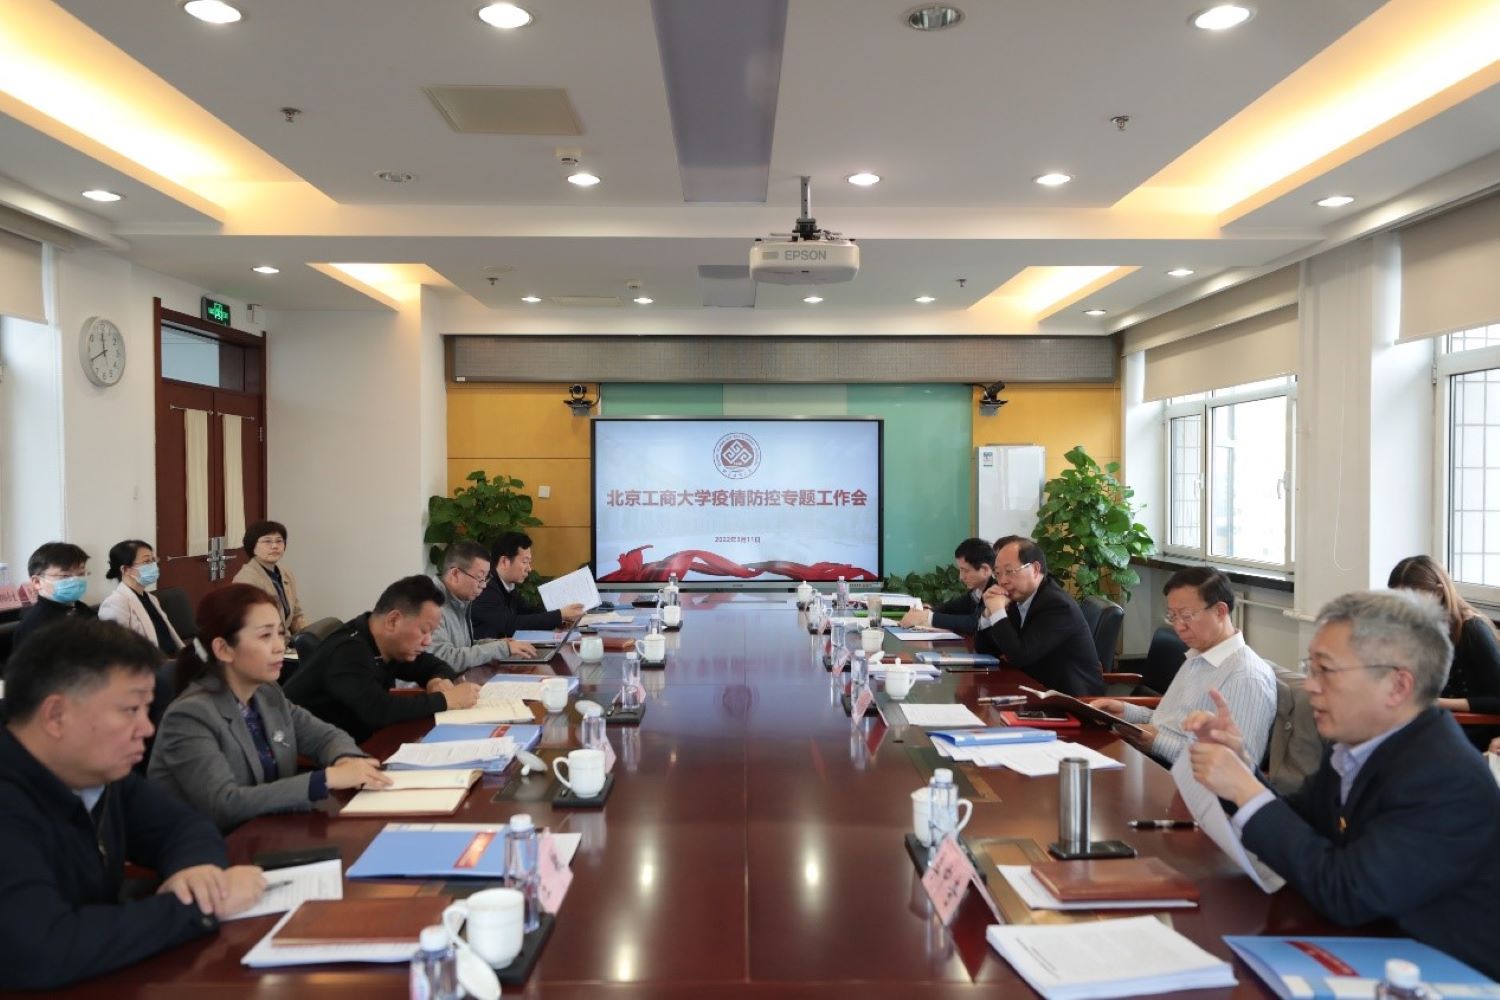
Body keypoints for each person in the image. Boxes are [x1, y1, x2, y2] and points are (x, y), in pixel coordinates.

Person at [1188, 590, 1500, 978]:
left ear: (1398, 686)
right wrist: (1241, 770)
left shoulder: (1444, 778)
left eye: (1326, 670)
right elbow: (1302, 823)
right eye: (1310, 668)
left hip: (1447, 976)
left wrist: (1245, 791)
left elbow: (1347, 893)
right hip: (1371, 948)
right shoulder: (1358, 745)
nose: (1310, 686)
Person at [0, 619, 265, 990]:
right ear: (56, 716)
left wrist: (198, 872)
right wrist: (201, 906)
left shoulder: (99, 774)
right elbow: (40, 949)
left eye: (146, 709)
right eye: (130, 710)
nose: (147, 728)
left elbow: (184, 826)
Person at [149, 585, 390, 831]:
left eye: (280, 633)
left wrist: (346, 759)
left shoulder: (266, 693)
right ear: (223, 649)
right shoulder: (189, 715)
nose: (279, 646)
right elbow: (223, 804)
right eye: (265, 636)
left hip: (268, 832)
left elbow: (325, 737)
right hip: (213, 845)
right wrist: (324, 779)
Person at [1091, 567, 1275, 764]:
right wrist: (1125, 712)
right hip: (1151, 760)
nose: (1179, 626)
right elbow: (1172, 721)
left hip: (1179, 776)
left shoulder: (1245, 676)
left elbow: (1237, 766)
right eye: (1172, 616)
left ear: (1220, 611)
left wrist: (1157, 742)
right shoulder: (1198, 655)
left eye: (1186, 616)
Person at [283, 575, 481, 743]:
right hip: (309, 755)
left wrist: (437, 680)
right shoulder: (348, 651)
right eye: (424, 631)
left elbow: (434, 665)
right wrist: (445, 700)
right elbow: (377, 711)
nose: (428, 641)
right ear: (393, 620)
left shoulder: (381, 640)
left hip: (358, 741)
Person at [973, 536, 1103, 695]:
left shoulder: (1057, 605)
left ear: (1035, 569)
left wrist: (998, 611)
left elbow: (1019, 656)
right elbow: (985, 649)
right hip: (1034, 689)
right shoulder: (1017, 598)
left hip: (1070, 700)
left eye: (1009, 571)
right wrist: (988, 614)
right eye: (998, 573)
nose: (1002, 581)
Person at [1387, 554, 1500, 714]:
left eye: (1412, 600)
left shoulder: (1472, 629)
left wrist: (1436, 703)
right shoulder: (1415, 629)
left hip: (1465, 723)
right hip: (1435, 718)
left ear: (1438, 593)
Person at [430, 541, 535, 669]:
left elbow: (465, 646)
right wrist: (501, 648)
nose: (484, 585)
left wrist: (498, 644)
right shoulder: (429, 605)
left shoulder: (459, 601)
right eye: (479, 578)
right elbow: (445, 659)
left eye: (486, 578)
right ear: (455, 574)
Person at [472, 531, 584, 639]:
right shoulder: (485, 588)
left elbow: (529, 612)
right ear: (505, 561)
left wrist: (562, 617)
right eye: (525, 562)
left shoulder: (508, 586)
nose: (529, 569)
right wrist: (560, 615)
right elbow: (510, 625)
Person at [98, 539, 182, 656]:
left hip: (171, 658)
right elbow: (118, 651)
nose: (154, 565)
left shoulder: (151, 598)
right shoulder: (115, 603)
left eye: (153, 560)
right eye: (147, 561)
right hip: (149, 664)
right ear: (125, 569)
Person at [898, 537, 995, 634]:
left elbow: (973, 623)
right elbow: (953, 607)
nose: (961, 577)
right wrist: (928, 611)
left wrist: (927, 617)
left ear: (985, 570)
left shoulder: (995, 593)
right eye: (960, 570)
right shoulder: (976, 592)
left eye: (965, 570)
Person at [232, 519, 309, 636]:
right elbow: (250, 626)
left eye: (279, 541)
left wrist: (310, 638)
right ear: (252, 546)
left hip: (286, 641)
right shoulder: (246, 579)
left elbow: (296, 614)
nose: (274, 546)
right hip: (264, 642)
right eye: (267, 541)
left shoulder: (286, 572)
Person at [13, 541, 95, 649]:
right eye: (65, 576)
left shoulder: (84, 610)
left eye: (81, 574)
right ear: (37, 582)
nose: (76, 580)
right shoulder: (35, 624)